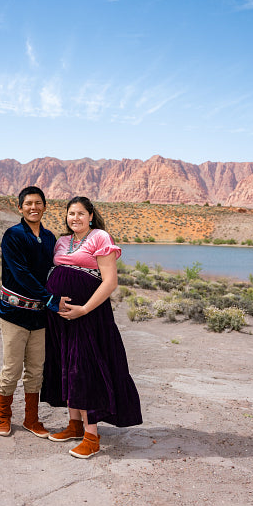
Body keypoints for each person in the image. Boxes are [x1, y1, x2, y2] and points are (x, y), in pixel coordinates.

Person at [41, 196, 142, 458]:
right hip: (61, 317)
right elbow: (54, 275)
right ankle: (74, 425)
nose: (75, 218)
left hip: (89, 316)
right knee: (67, 366)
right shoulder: (62, 242)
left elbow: (109, 282)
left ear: (90, 215)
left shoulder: (100, 237)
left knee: (84, 369)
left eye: (80, 213)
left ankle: (91, 436)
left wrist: (84, 309)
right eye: (71, 213)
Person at [0, 186, 68, 438]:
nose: (33, 207)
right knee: (12, 369)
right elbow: (21, 274)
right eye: (28, 203)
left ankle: (31, 419)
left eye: (38, 203)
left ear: (45, 206)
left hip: (40, 317)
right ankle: (3, 417)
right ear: (20, 208)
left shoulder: (49, 238)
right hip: (13, 314)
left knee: (36, 370)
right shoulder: (12, 235)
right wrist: (51, 298)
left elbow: (57, 271)